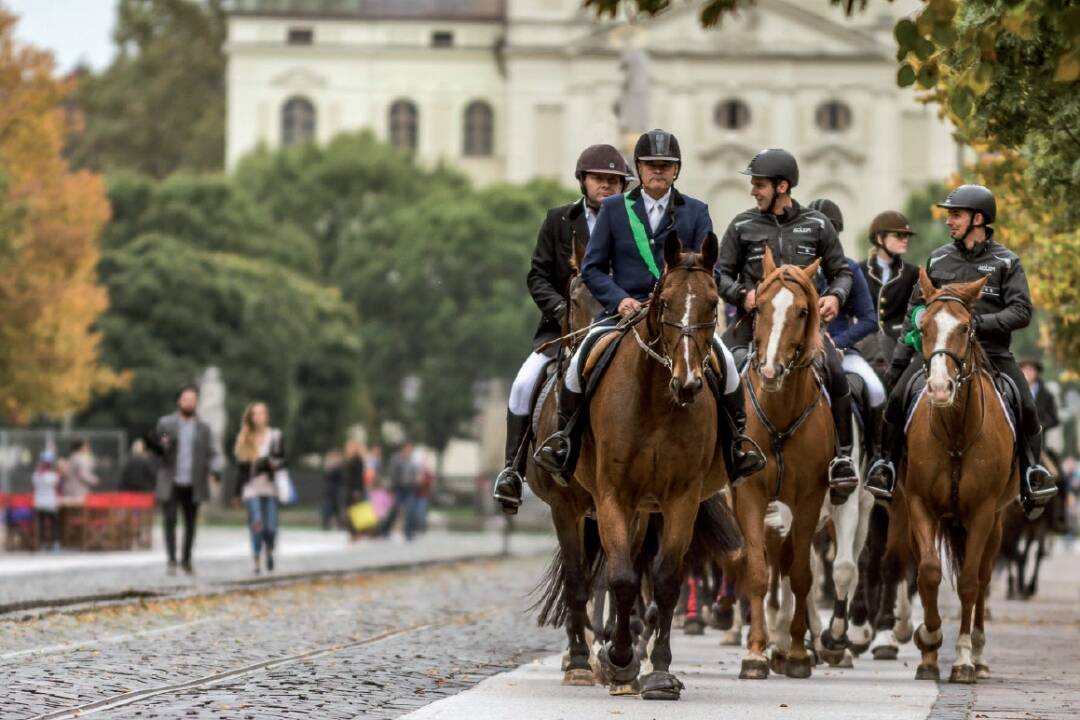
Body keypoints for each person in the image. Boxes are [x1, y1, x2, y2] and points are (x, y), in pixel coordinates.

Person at [535, 129, 764, 484]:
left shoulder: (696, 211)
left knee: (727, 367)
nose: (658, 171)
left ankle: (738, 446)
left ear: (677, 170)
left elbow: (709, 268)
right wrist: (619, 299)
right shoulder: (615, 209)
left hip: (680, 316)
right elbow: (593, 268)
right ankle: (563, 441)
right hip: (625, 309)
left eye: (666, 166)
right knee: (578, 363)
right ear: (639, 170)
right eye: (650, 165)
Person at [865, 185, 1057, 519]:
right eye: (949, 215)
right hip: (941, 352)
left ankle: (1031, 475)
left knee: (1026, 405)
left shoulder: (1006, 261)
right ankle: (886, 467)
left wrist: (977, 323)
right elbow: (915, 308)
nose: (949, 221)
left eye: (956, 214)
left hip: (992, 353)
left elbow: (1022, 311)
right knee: (896, 399)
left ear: (978, 219)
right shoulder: (938, 258)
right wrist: (903, 356)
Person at [492, 143, 633, 513]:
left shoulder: (633, 226)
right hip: (563, 329)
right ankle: (513, 470)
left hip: (619, 328)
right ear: (583, 181)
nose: (607, 186)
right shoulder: (558, 220)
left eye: (615, 181)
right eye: (600, 179)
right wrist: (559, 310)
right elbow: (538, 275)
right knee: (524, 383)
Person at [715, 149, 858, 496]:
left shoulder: (818, 225)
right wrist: (742, 295)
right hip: (752, 328)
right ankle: (723, 453)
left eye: (759, 184)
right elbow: (720, 274)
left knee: (837, 375)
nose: (753, 191)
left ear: (782, 186)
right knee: (724, 373)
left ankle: (842, 457)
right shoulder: (742, 225)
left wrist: (835, 296)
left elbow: (841, 272)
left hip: (803, 330)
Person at [808, 199, 886, 462]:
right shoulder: (795, 270)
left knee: (876, 390)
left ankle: (875, 457)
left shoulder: (849, 269)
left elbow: (868, 319)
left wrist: (838, 341)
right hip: (799, 351)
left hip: (841, 350)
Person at [147, 384, 221, 575]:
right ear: (179, 401)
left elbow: (212, 453)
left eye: (193, 400)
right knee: (169, 520)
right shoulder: (166, 423)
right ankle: (171, 560)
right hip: (170, 481)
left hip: (193, 483)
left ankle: (186, 559)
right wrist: (163, 445)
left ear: (196, 403)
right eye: (186, 399)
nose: (189, 403)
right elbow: (160, 445)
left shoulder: (203, 428)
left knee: (190, 523)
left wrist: (215, 469)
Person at [858, 210, 920, 376]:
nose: (905, 240)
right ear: (880, 238)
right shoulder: (859, 270)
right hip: (864, 345)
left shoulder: (913, 273)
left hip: (898, 345)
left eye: (906, 236)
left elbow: (917, 314)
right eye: (899, 235)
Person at [233, 401, 287, 574]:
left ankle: (269, 550)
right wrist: (236, 494)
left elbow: (284, 459)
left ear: (267, 416)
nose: (259, 417)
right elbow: (241, 470)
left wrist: (272, 464)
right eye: (255, 414)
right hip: (252, 488)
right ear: (250, 417)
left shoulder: (276, 436)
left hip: (271, 488)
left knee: (270, 527)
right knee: (256, 523)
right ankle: (256, 558)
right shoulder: (244, 439)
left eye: (262, 413)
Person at [1021, 358, 1066, 531]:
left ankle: (1059, 516)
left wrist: (1041, 425)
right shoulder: (1015, 389)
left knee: (1059, 476)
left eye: (1031, 370)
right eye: (1025, 370)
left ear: (1037, 373)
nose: (1028, 373)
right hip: (1017, 442)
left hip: (1040, 446)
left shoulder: (1046, 395)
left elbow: (1054, 418)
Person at [381, 442, 421, 540]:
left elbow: (415, 473)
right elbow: (392, 474)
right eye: (408, 449)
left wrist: (417, 480)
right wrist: (392, 489)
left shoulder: (412, 460)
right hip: (398, 488)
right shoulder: (396, 459)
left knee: (410, 510)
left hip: (410, 488)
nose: (409, 451)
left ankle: (408, 532)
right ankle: (385, 529)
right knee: (394, 510)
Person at [32, 450, 61, 551]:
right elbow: (57, 489)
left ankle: (42, 544)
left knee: (41, 525)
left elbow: (34, 488)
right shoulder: (53, 476)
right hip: (50, 503)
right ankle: (55, 544)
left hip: (39, 503)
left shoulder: (36, 475)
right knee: (54, 524)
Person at [321, 449, 344, 530]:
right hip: (331, 490)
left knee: (336, 507)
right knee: (329, 507)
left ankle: (338, 523)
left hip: (333, 490)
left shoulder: (332, 467)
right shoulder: (333, 467)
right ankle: (327, 523)